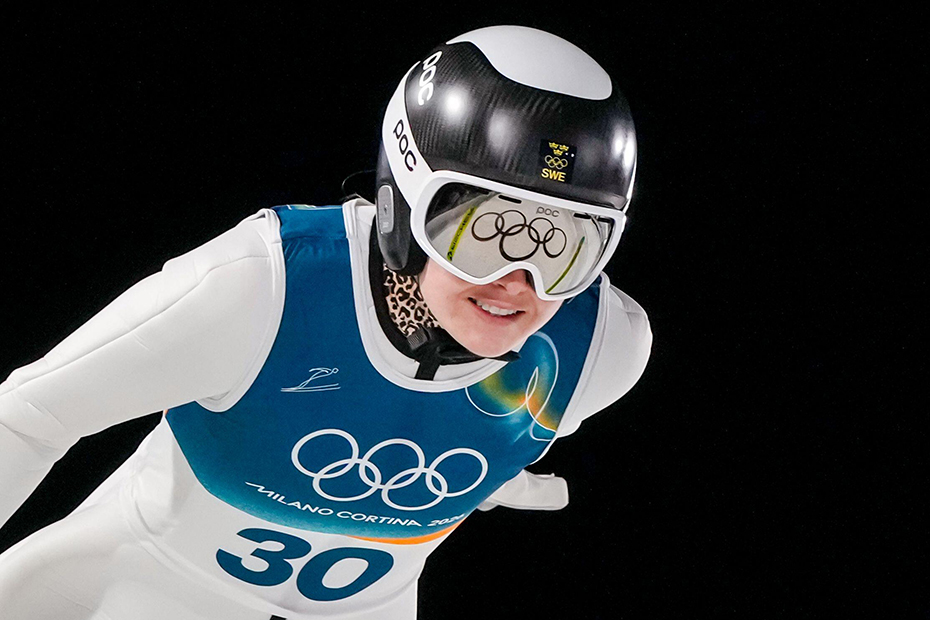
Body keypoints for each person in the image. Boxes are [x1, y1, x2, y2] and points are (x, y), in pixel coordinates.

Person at [0, 24, 652, 619]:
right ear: (402, 206)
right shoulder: (260, 290)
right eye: (487, 231)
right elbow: (27, 417)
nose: (520, 284)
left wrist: (478, 463)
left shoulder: (600, 350)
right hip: (139, 587)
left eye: (565, 245)